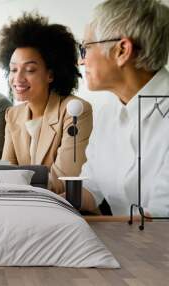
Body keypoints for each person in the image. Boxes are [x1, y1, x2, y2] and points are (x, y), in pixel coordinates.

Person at [79, 0, 169, 216]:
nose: (81, 61)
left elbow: (160, 220)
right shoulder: (109, 112)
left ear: (122, 50)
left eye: (85, 48)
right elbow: (91, 189)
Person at [0, 13, 93, 193]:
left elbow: (64, 179)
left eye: (30, 69)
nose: (18, 78)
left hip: (63, 209)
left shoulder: (75, 111)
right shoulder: (13, 114)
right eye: (13, 69)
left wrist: (13, 186)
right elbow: (5, 172)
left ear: (50, 74)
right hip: (24, 206)